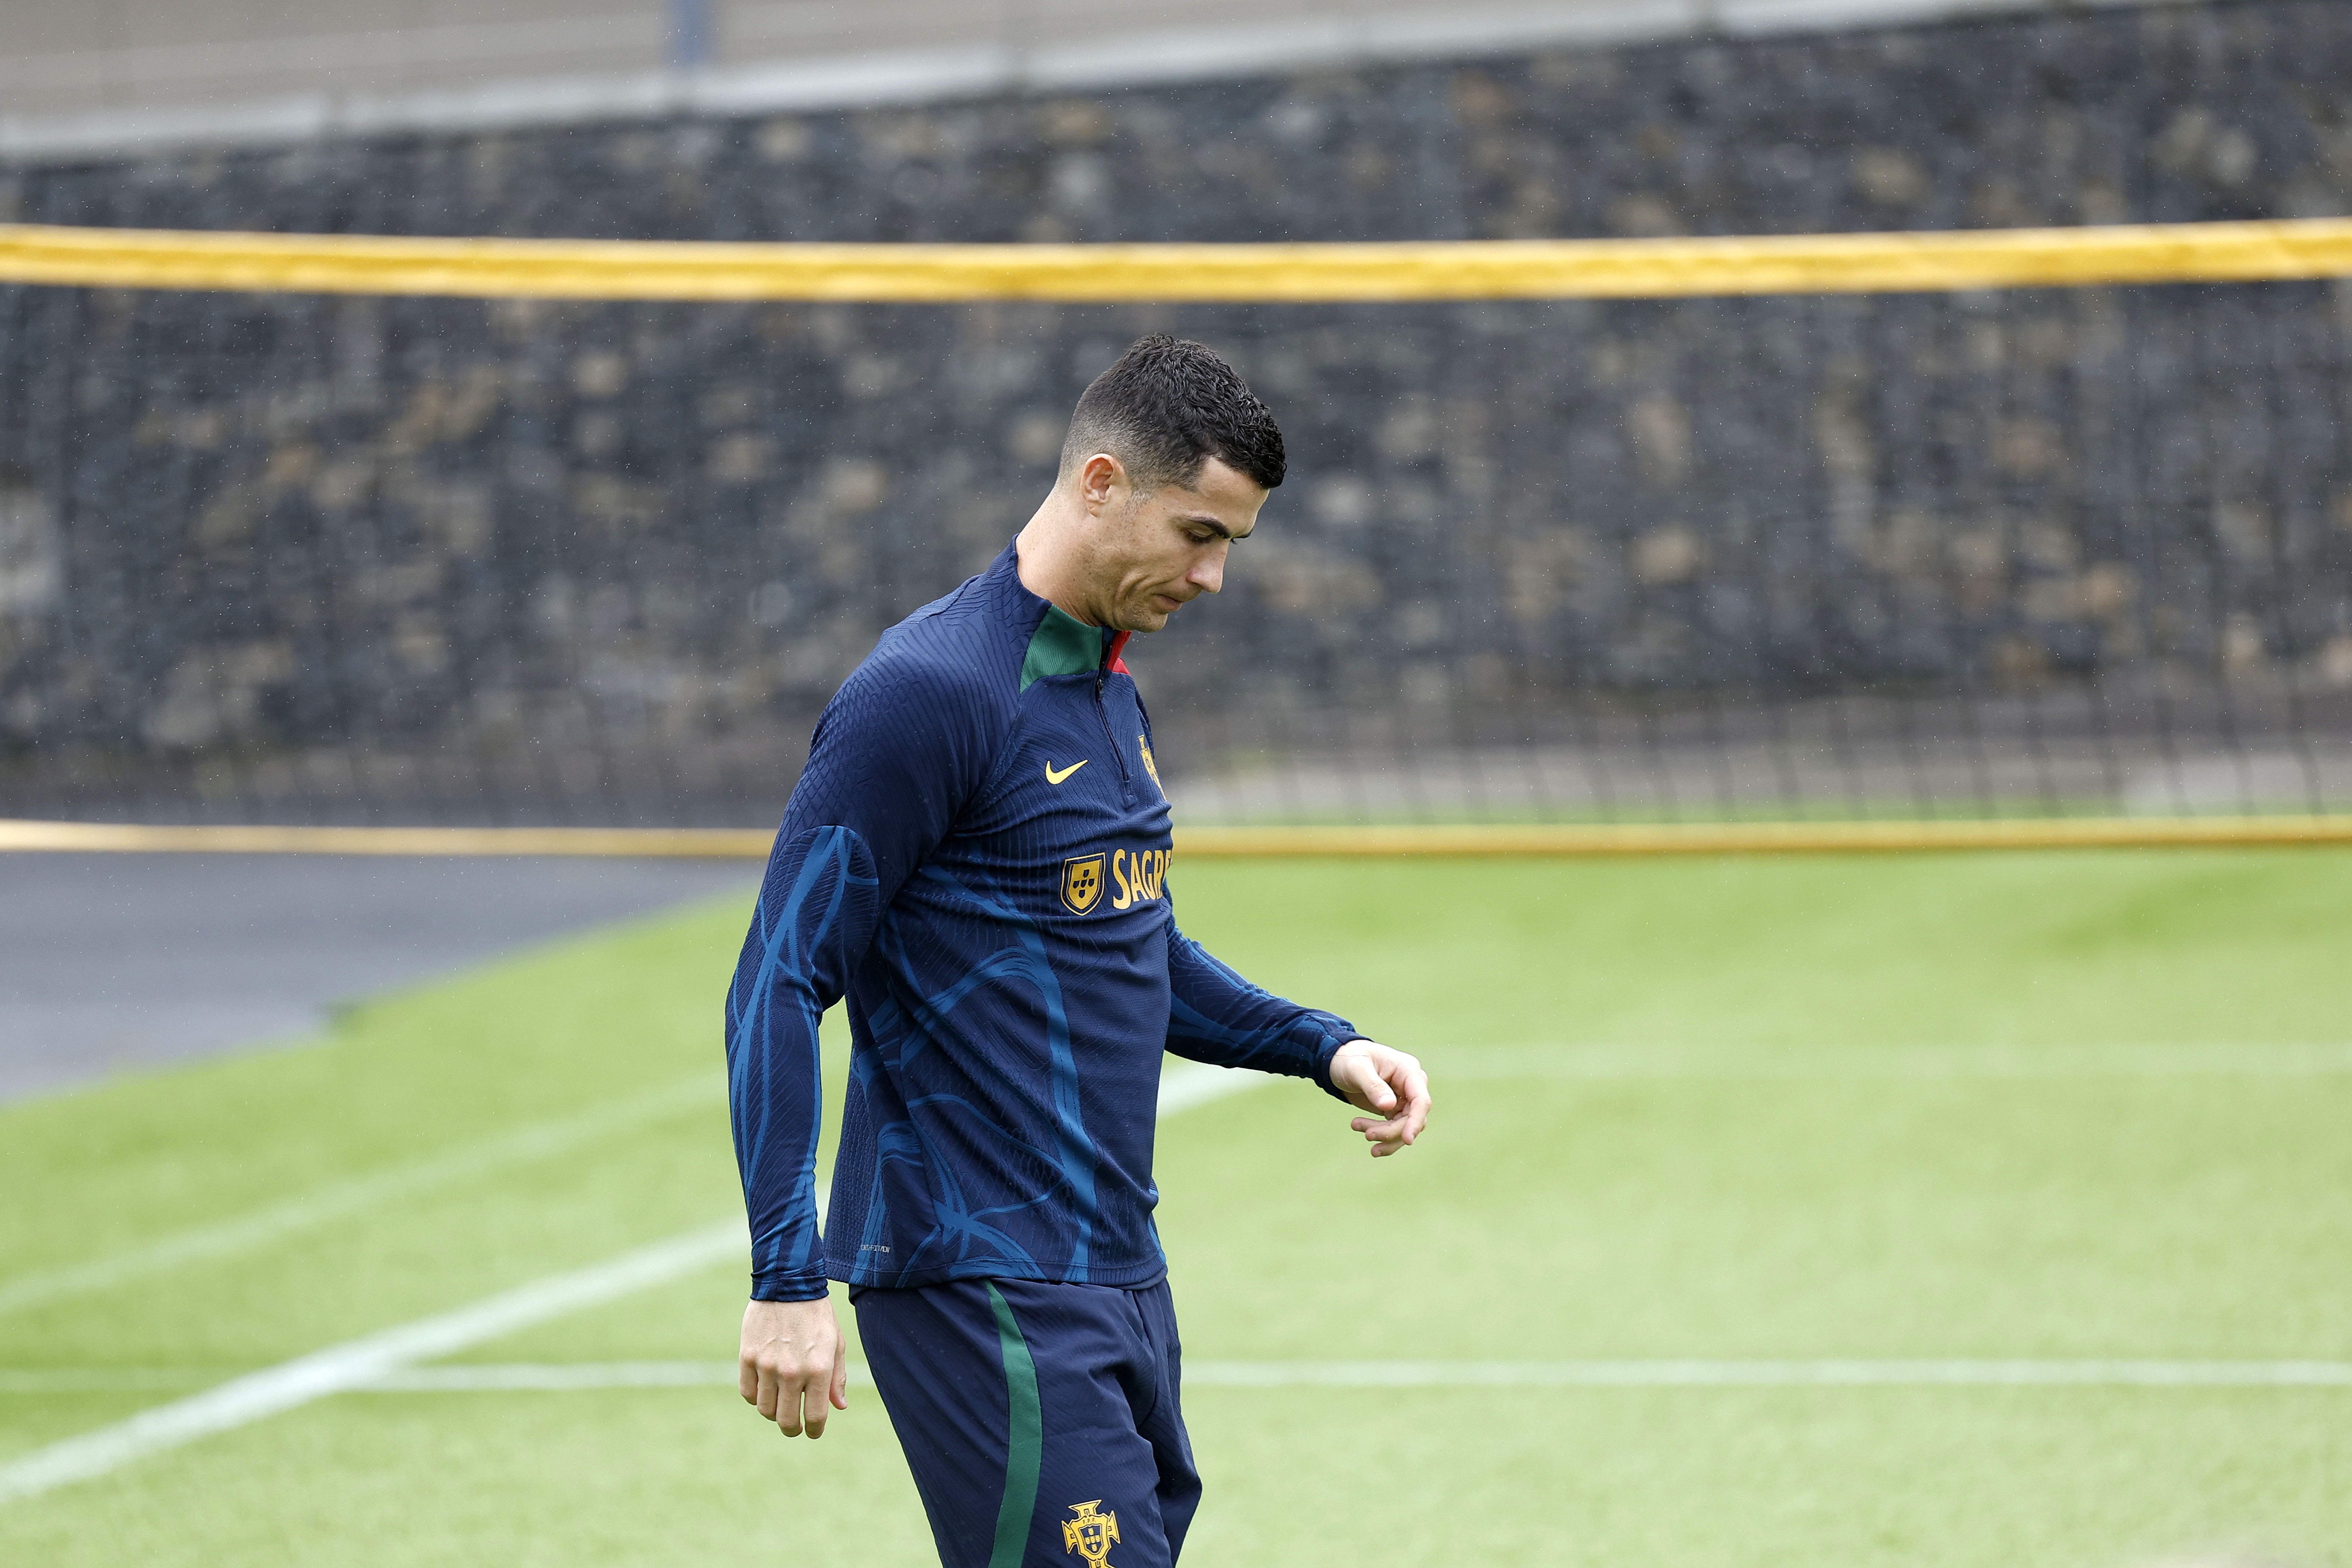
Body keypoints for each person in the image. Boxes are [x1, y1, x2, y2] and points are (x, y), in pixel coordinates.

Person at [725, 334, 1431, 1568]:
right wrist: (787, 1278)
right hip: (979, 1279)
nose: (1213, 579)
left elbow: (1126, 945)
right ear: (1100, 483)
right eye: (1198, 534)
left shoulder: (1106, 685)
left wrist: (1322, 1044)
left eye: (1233, 545)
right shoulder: (929, 692)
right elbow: (777, 980)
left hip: (1114, 1269)